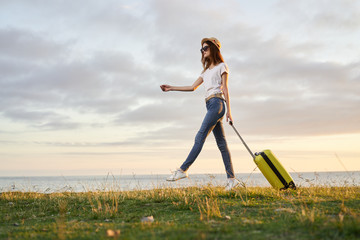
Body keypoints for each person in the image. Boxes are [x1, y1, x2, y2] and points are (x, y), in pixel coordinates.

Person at [160, 37, 239, 191]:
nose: (203, 51)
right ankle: (232, 179)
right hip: (210, 105)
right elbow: (191, 87)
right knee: (222, 144)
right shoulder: (205, 72)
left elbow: (225, 88)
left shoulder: (222, 66)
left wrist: (229, 111)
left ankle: (182, 170)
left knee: (200, 136)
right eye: (201, 49)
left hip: (217, 104)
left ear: (214, 49)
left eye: (206, 48)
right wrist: (171, 88)